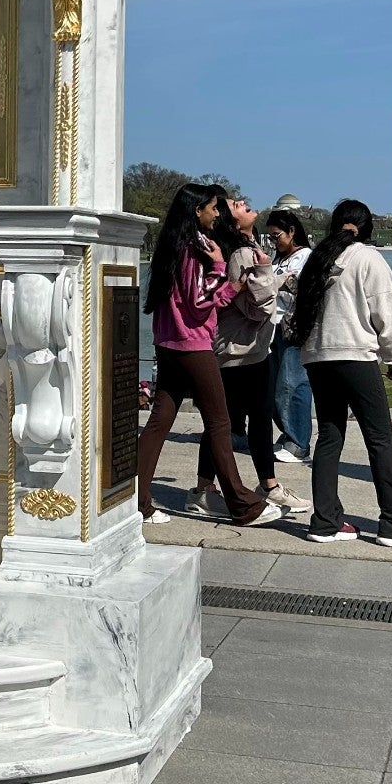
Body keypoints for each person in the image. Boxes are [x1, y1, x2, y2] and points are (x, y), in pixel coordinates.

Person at [135, 183, 282, 528]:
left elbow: (192, 299)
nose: (218, 214)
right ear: (197, 210)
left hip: (168, 342)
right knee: (219, 422)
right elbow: (200, 303)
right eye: (213, 208)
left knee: (159, 421)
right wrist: (220, 269)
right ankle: (242, 504)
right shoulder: (194, 248)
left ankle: (137, 500)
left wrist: (227, 282)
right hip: (192, 344)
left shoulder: (172, 245)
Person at [291, 199, 392, 546]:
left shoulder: (318, 260)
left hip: (317, 356)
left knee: (329, 436)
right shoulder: (368, 258)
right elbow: (387, 315)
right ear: (368, 230)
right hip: (354, 356)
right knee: (379, 439)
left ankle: (325, 521)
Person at [190, 195, 310, 516]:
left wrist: (276, 278)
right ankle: (208, 489)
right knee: (227, 423)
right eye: (236, 205)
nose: (244, 202)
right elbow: (258, 308)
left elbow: (257, 289)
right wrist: (271, 274)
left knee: (249, 420)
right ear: (232, 220)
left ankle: (263, 485)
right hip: (239, 350)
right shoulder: (240, 253)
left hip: (247, 349)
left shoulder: (247, 246)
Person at [264, 210, 314, 463]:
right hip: (272, 327)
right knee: (275, 387)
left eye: (277, 236)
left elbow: (309, 292)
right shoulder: (278, 258)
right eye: (270, 237)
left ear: (292, 231)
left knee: (293, 384)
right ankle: (288, 434)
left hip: (292, 328)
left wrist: (281, 282)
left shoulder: (306, 257)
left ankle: (299, 443)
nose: (274, 242)